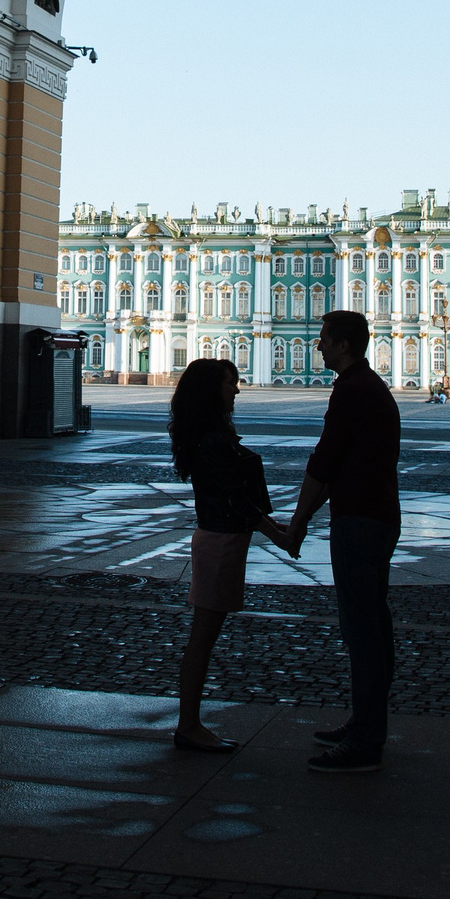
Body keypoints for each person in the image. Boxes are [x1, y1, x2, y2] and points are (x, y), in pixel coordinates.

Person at [287, 310, 400, 773]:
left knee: (362, 631)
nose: (319, 346)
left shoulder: (353, 392)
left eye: (325, 340)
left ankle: (364, 743)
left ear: (345, 345)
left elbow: (326, 460)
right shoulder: (369, 387)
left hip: (359, 520)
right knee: (371, 625)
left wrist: (298, 520)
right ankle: (365, 725)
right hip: (374, 516)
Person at [167, 357, 294, 753]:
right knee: (202, 639)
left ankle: (190, 723)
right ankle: (188, 725)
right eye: (230, 383)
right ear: (211, 390)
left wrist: (278, 531)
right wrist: (279, 534)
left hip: (222, 541)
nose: (237, 390)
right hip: (219, 543)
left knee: (203, 638)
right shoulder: (212, 440)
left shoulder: (211, 433)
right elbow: (234, 499)